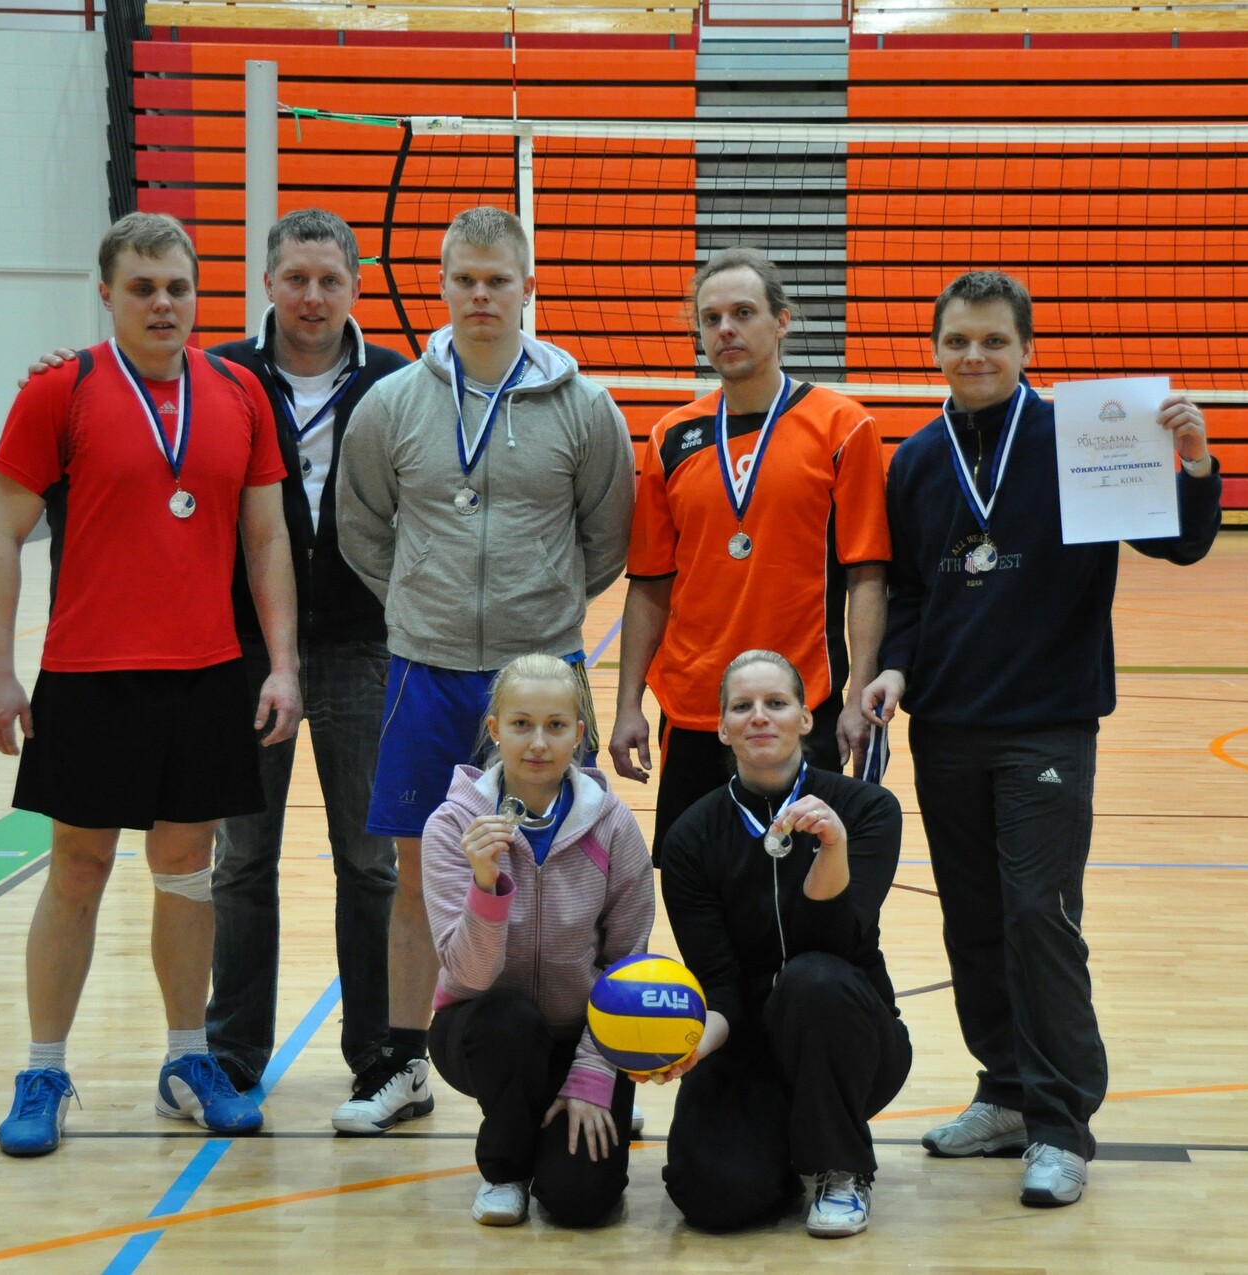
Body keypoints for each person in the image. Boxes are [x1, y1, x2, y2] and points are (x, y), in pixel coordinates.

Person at [23, 210, 420, 1123]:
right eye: (295, 279)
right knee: (240, 861)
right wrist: (55, 371)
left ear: (355, 286)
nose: (312, 297)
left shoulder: (400, 383)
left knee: (370, 861)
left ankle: (380, 1051)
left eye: (329, 279)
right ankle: (231, 1050)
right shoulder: (225, 375)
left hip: (366, 643)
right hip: (241, 649)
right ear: (266, 284)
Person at [860, 270, 1221, 1208]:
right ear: (935, 351)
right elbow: (910, 591)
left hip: (1047, 724)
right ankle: (1007, 1091)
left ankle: (1061, 1125)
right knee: (973, 921)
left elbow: (1179, 546)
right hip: (947, 725)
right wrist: (894, 667)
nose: (974, 356)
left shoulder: (1084, 436)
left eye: (994, 341)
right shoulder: (917, 460)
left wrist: (1192, 464)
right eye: (957, 341)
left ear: (1027, 350)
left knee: (1038, 917)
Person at [0, 211, 301, 1157]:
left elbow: (266, 538)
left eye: (178, 287)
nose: (163, 304)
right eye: (143, 288)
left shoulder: (237, 391)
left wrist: (282, 665)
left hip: (206, 676)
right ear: (107, 294)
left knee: (188, 872)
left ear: (198, 294)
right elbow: (0, 533)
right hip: (88, 677)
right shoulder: (60, 390)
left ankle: (189, 1059)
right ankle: (43, 1069)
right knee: (77, 869)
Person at [334, 206, 635, 1135]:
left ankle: (584, 1064)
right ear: (441, 285)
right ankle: (402, 1062)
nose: (480, 295)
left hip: (542, 675)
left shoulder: (585, 408)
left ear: (527, 288)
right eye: (463, 278)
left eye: (497, 280)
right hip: (425, 671)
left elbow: (606, 537)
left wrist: (537, 611)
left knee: (569, 873)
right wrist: (421, 601)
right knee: (417, 867)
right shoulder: (393, 404)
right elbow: (362, 527)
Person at [610, 248, 889, 855]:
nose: (725, 330)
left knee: (802, 883)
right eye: (711, 319)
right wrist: (628, 703)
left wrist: (857, 697)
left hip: (799, 703)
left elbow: (867, 574)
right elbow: (650, 583)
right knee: (694, 883)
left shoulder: (843, 427)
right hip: (695, 705)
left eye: (742, 313)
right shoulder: (669, 436)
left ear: (781, 321)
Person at [655, 650, 911, 1238]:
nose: (759, 717)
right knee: (712, 1199)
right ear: (722, 728)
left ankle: (842, 1166)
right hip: (747, 1046)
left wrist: (833, 849)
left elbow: (841, 941)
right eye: (741, 707)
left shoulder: (867, 810)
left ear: (805, 718)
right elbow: (719, 984)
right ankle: (787, 1150)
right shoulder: (690, 837)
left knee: (811, 978)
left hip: (852, 1040)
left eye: (776, 703)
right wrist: (691, 1049)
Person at [422, 654, 654, 1226]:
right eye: (521, 724)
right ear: (495, 729)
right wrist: (486, 886)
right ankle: (504, 1170)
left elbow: (627, 965)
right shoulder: (452, 826)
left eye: (556, 726)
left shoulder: (613, 825)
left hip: (585, 1035)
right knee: (509, 1021)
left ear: (579, 734)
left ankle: (566, 1121)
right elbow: (469, 976)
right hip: (485, 1032)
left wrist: (595, 1069)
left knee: (581, 1202)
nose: (539, 743)